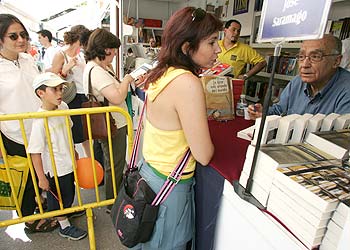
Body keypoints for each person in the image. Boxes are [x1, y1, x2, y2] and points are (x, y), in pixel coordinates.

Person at [131, 7, 219, 249]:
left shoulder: (161, 73)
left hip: (149, 174)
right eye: (211, 42)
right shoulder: (188, 82)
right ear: (187, 47)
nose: (218, 50)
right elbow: (203, 154)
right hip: (170, 187)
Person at [0, 13, 58, 233]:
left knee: (38, 173)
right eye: (13, 36)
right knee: (24, 177)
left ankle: (38, 205)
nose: (20, 40)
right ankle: (28, 219)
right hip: (14, 133)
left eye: (23, 34)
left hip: (39, 128)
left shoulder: (28, 59)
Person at [27, 72, 87, 241]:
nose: (60, 93)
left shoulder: (64, 108)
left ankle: (66, 211)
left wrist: (74, 149)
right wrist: (41, 178)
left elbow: (68, 130)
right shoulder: (39, 120)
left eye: (61, 89)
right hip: (54, 169)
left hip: (68, 162)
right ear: (41, 93)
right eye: (55, 90)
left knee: (69, 191)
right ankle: (64, 225)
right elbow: (35, 152)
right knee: (58, 197)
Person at [83, 28, 135, 211]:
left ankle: (112, 199)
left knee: (113, 162)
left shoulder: (95, 67)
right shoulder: (97, 71)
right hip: (112, 125)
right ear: (105, 49)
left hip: (110, 123)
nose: (114, 54)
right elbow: (117, 97)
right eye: (113, 50)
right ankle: (113, 203)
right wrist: (127, 80)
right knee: (115, 164)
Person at [248, 34, 350, 119]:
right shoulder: (297, 81)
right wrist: (264, 112)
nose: (304, 65)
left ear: (336, 61)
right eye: (301, 57)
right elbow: (279, 111)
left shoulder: (346, 90)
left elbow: (340, 137)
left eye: (315, 56)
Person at [51, 25, 91, 158]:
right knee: (73, 133)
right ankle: (75, 162)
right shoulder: (60, 54)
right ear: (80, 40)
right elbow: (52, 80)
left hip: (84, 96)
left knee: (86, 134)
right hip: (70, 98)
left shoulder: (81, 55)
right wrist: (65, 70)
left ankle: (90, 163)